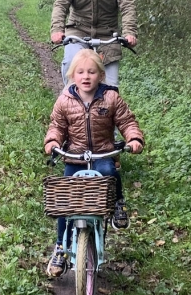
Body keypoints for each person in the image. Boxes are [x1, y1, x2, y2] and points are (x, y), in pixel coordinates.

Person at [43, 49, 145, 277]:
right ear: (72, 76)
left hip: (102, 154)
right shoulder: (64, 101)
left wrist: (134, 137)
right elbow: (56, 126)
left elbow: (127, 121)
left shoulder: (111, 98)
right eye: (80, 72)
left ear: (100, 75)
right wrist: (52, 141)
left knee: (110, 172)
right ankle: (60, 245)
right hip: (75, 157)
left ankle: (118, 203)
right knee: (65, 199)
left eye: (91, 72)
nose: (86, 76)